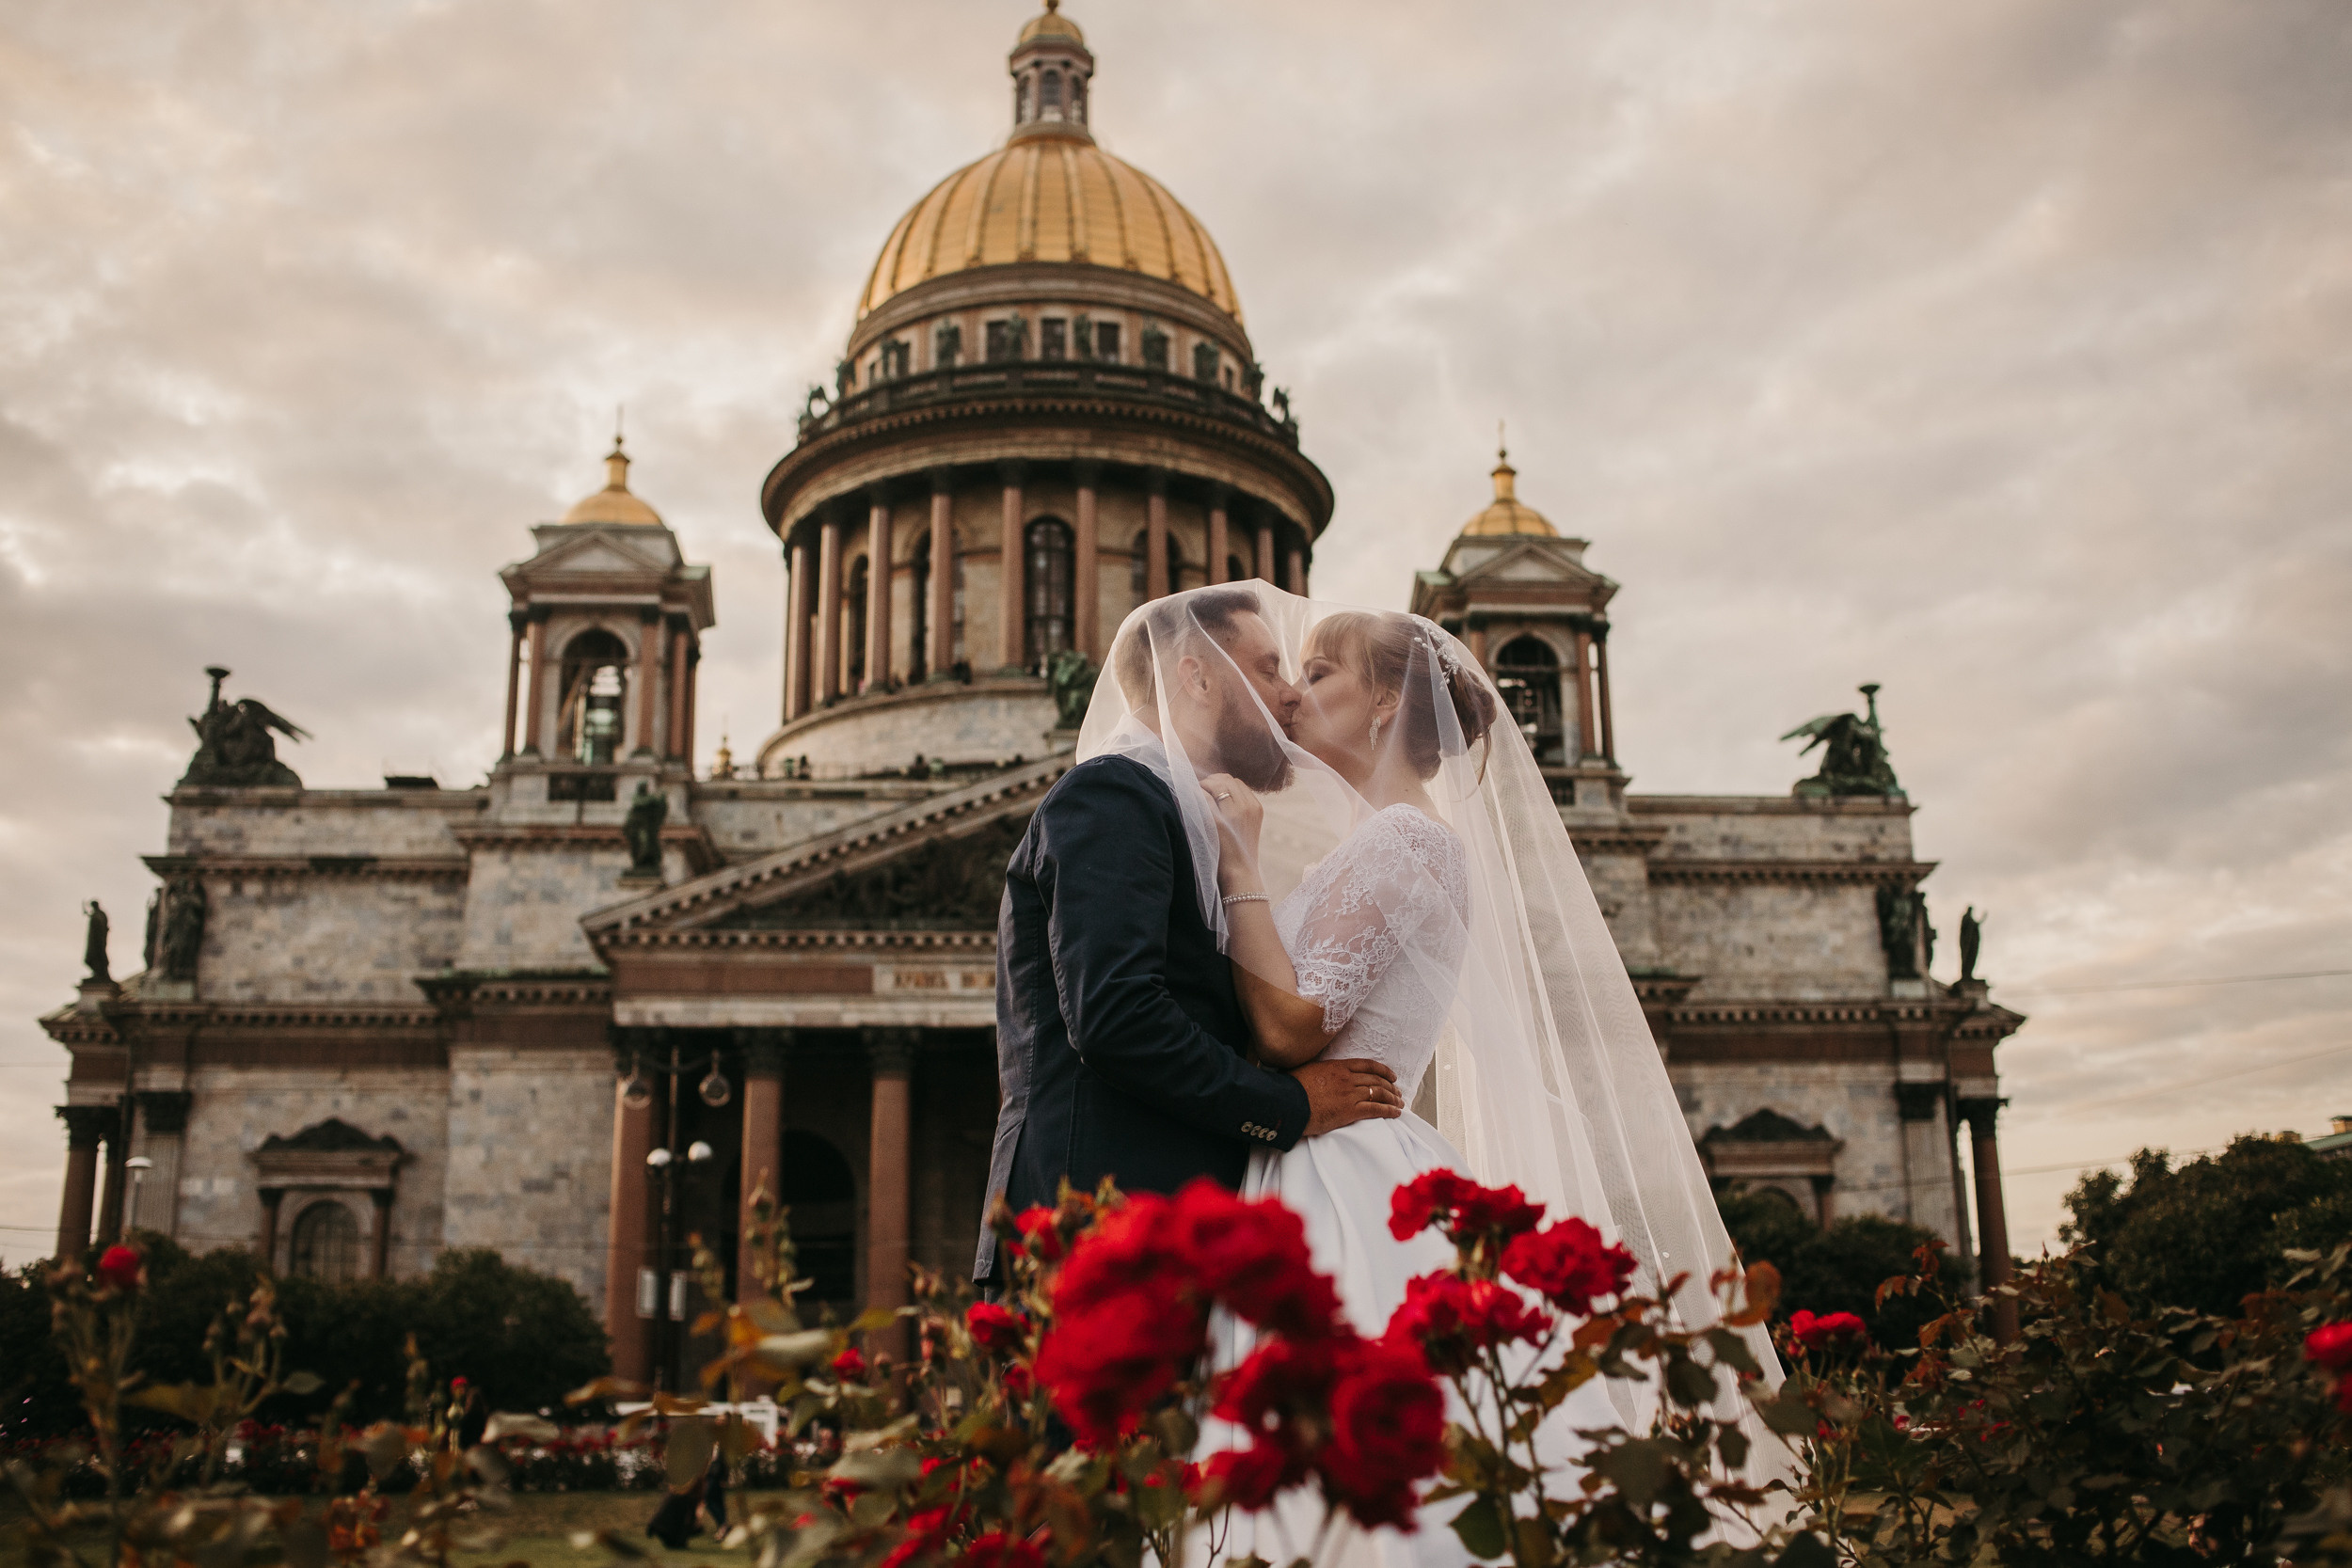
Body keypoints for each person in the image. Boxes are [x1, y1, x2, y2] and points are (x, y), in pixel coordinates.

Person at [1073, 587, 1787, 1561]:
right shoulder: (1377, 838)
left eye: (1315, 669)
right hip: (1327, 1152)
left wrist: (1236, 861)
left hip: (1339, 1160)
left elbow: (1289, 1030)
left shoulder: (1403, 838)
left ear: (1381, 707)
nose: (1287, 693)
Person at [976, 587, 1409, 1289]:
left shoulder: (1192, 809)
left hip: (1160, 1230)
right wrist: (1293, 1106)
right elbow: (1117, 1015)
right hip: (1092, 1235)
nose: (1290, 695)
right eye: (1269, 668)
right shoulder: (1113, 794)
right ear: (1197, 675)